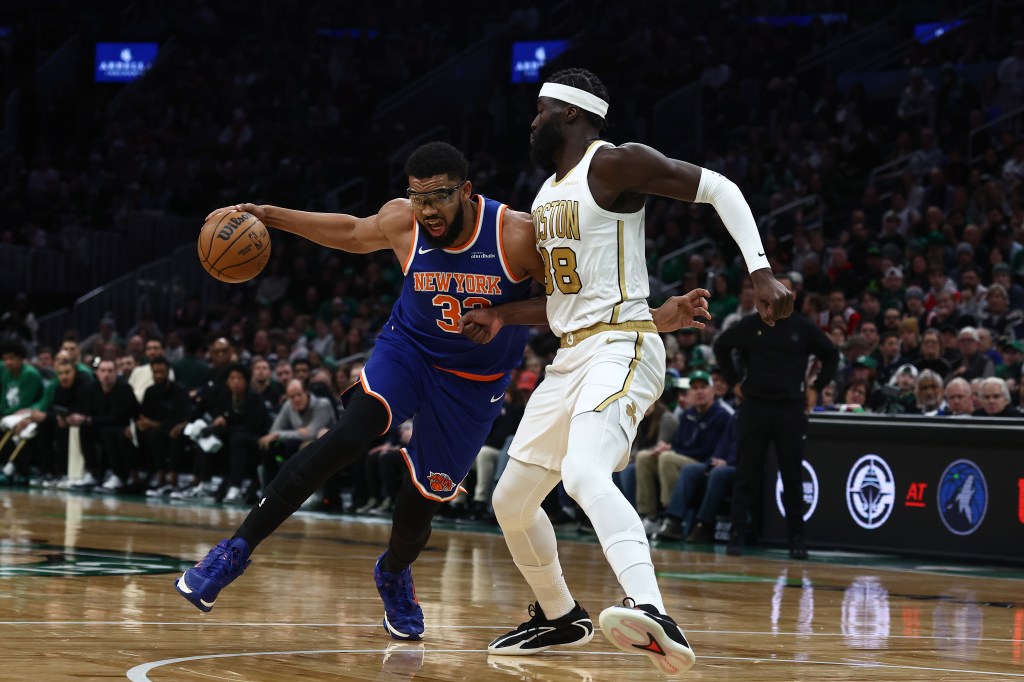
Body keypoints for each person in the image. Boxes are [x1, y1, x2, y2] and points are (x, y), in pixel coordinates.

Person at [174, 140, 716, 642]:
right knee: (348, 435)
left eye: (437, 196)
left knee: (420, 504)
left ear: (465, 192)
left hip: (473, 382)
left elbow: (574, 304)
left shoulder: (517, 234)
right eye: (418, 195)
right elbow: (349, 231)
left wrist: (507, 314)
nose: (426, 208)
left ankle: (393, 573)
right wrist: (269, 215)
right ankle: (231, 553)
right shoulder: (403, 221)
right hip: (408, 350)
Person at [460, 69, 791, 675]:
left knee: (585, 474)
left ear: (571, 113)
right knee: (511, 499)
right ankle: (560, 616)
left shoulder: (612, 163)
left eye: (541, 109)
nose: (531, 120)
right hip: (570, 354)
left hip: (621, 347)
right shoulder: (544, 196)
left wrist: (759, 270)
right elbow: (565, 301)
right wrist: (502, 315)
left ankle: (653, 610)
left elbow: (721, 188)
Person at [713, 274, 836, 560]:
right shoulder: (752, 324)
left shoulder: (803, 328)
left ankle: (797, 539)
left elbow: (831, 355)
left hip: (790, 408)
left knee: (792, 474)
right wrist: (733, 381)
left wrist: (816, 387)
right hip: (754, 405)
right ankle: (736, 536)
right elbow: (721, 345)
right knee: (746, 472)